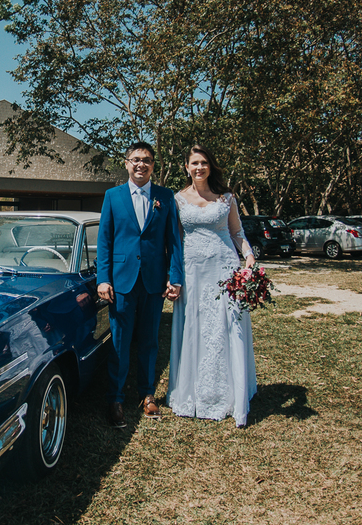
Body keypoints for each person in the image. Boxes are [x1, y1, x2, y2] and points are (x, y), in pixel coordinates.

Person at [167, 144, 259, 427]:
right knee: (195, 326)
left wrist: (249, 255)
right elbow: (175, 241)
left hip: (224, 269)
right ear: (186, 167)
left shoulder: (226, 197)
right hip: (192, 272)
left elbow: (237, 232)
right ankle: (193, 392)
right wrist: (173, 276)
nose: (199, 168)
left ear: (211, 166)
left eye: (204, 163)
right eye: (194, 163)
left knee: (225, 327)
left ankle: (230, 392)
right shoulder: (177, 199)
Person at [96, 141, 185, 427]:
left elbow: (174, 241)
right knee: (119, 342)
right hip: (121, 281)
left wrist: (175, 277)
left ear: (153, 166)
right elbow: (104, 240)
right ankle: (115, 398)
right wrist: (103, 278)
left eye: (146, 160)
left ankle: (147, 394)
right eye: (135, 159)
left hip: (153, 281)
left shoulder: (165, 197)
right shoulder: (112, 196)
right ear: (126, 163)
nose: (140, 164)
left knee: (149, 340)